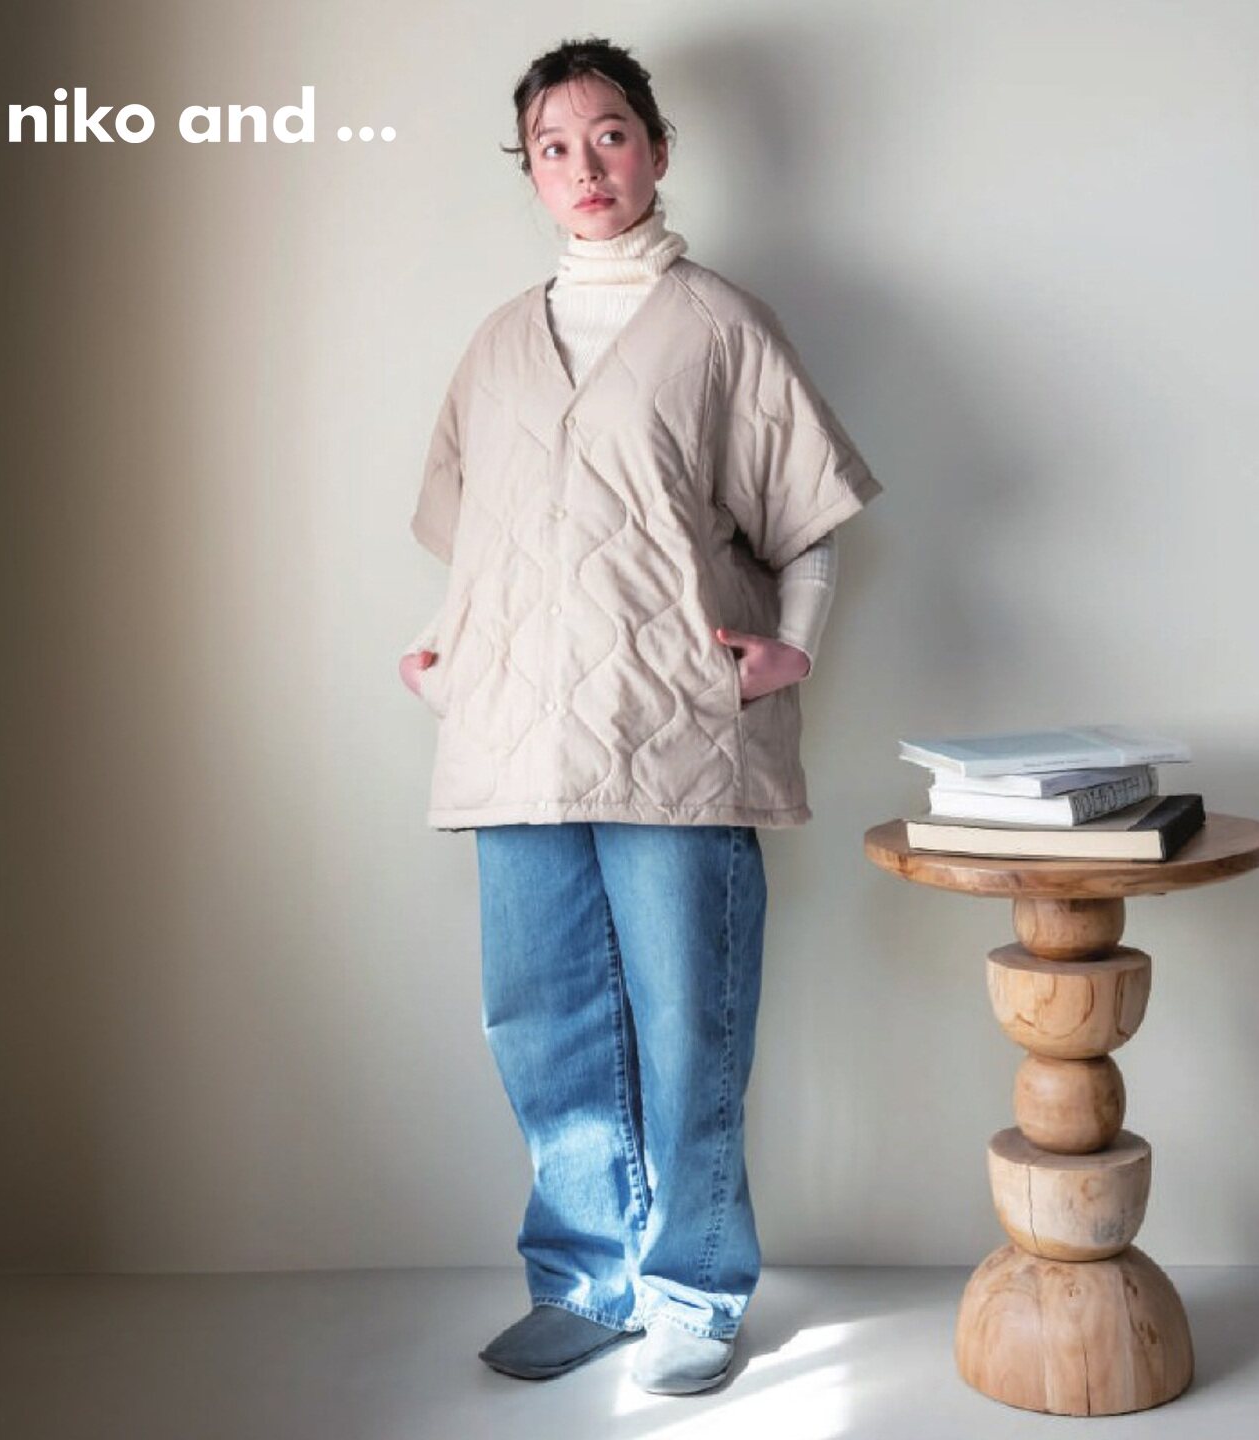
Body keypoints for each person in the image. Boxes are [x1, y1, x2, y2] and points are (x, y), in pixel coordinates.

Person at [399, 36, 882, 1396]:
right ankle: (582, 1283)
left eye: (609, 135)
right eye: (552, 147)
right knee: (541, 1022)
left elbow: (807, 525)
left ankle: (693, 1292)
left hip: (675, 729)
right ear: (531, 173)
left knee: (689, 1026)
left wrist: (795, 649)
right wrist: (444, 656)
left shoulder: (720, 326)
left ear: (658, 150)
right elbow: (488, 540)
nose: (585, 165)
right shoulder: (499, 346)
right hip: (514, 739)